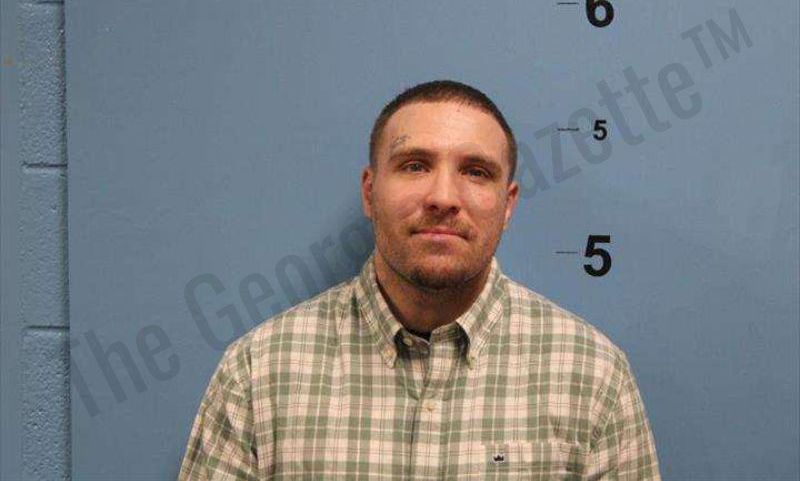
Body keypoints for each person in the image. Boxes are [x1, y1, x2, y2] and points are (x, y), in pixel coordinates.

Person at [178, 80, 661, 480]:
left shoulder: (592, 377)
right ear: (370, 192)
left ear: (508, 204)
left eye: (476, 171)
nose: (443, 197)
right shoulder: (259, 374)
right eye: (415, 165)